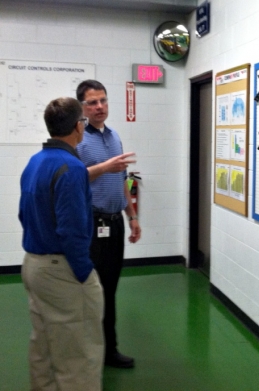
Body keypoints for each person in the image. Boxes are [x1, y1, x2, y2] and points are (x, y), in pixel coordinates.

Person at [19, 97, 104, 391]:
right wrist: (82, 273)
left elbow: (23, 214)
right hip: (62, 272)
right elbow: (72, 230)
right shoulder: (71, 167)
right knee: (78, 355)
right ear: (77, 127)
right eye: (83, 120)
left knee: (43, 346)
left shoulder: (36, 162)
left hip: (33, 266)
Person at [76, 79, 141, 369]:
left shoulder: (114, 137)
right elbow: (72, 178)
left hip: (115, 224)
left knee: (110, 289)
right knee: (90, 291)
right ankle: (87, 352)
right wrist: (105, 167)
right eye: (92, 102)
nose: (99, 107)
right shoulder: (77, 139)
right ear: (82, 107)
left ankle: (109, 350)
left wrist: (133, 216)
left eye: (103, 100)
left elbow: (121, 180)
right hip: (91, 224)